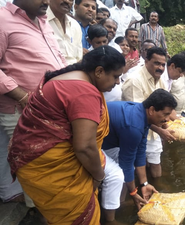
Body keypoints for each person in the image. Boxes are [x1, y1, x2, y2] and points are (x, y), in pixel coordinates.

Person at [8, 46, 125, 225]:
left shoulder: (66, 78)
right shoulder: (84, 91)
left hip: (35, 162)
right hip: (51, 167)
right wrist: (99, 176)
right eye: (116, 76)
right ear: (99, 71)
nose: (118, 82)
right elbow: (85, 147)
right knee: (79, 219)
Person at [0, 0, 66, 207]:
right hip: (23, 112)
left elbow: (58, 60)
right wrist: (23, 97)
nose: (47, 1)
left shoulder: (43, 22)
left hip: (50, 110)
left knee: (52, 172)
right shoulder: (3, 19)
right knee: (39, 175)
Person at [103, 89, 177, 211]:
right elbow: (125, 163)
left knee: (128, 170)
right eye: (165, 114)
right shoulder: (134, 127)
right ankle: (110, 217)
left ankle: (120, 203)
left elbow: (140, 150)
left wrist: (144, 183)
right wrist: (133, 193)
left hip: (108, 140)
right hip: (91, 142)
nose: (168, 119)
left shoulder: (142, 113)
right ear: (152, 110)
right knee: (117, 176)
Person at [122, 47, 176, 178]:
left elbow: (165, 108)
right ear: (146, 61)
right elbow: (136, 116)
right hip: (134, 129)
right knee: (134, 166)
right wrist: (161, 131)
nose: (161, 68)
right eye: (156, 63)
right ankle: (139, 190)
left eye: (163, 64)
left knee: (155, 163)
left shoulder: (160, 80)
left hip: (153, 131)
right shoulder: (134, 81)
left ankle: (157, 191)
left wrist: (166, 126)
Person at [48, 0, 83, 65]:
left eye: (71, 0)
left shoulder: (75, 25)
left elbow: (79, 58)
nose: (67, 1)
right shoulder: (40, 20)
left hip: (74, 71)